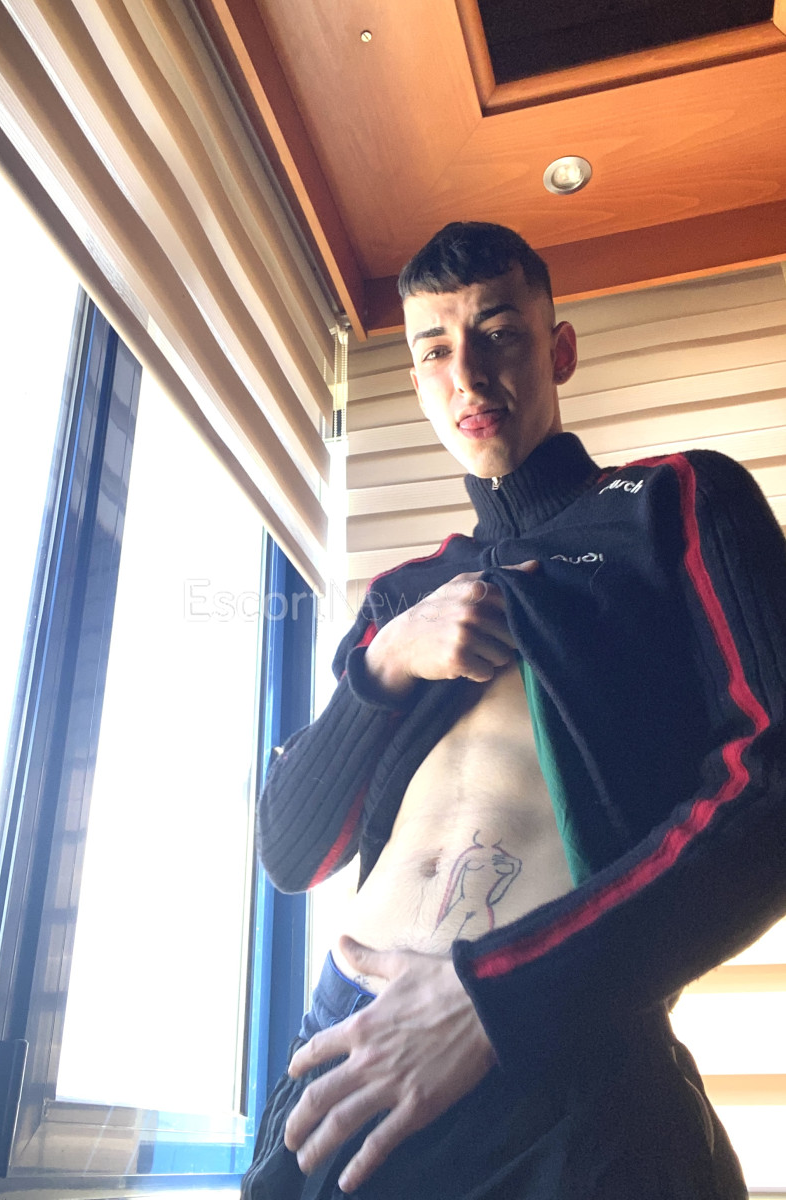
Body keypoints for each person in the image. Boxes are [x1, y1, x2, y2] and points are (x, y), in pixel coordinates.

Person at [241, 222, 786, 1199]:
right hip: (349, 1039)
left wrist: (496, 999)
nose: (468, 374)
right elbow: (291, 851)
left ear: (558, 349)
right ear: (417, 382)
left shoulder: (675, 500)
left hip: (554, 1044)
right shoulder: (403, 595)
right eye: (435, 350)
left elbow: (774, 787)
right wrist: (386, 661)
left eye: (499, 333)